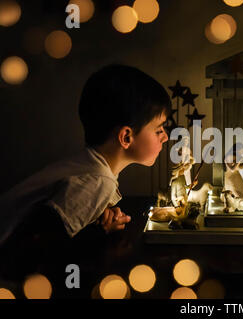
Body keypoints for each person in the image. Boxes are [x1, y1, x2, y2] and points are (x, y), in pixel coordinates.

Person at [0, 65, 170, 279]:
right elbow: (37, 246)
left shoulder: (86, 165)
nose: (165, 137)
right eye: (159, 130)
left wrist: (94, 222)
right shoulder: (96, 182)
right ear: (126, 137)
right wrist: (99, 234)